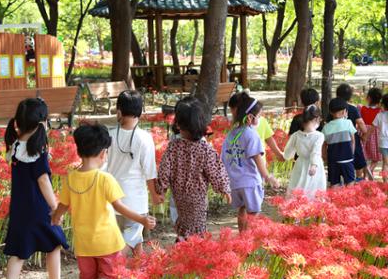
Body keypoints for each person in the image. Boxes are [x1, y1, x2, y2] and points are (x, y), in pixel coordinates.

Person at [52, 123, 156, 279]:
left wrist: (55, 218)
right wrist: (142, 220)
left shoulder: (71, 177)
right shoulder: (105, 179)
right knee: (107, 275)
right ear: (102, 153)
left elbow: (62, 206)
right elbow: (121, 207)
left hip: (83, 243)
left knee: (87, 278)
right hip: (107, 241)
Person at [0, 98, 77, 279]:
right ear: (42, 123)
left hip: (20, 208)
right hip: (39, 208)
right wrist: (55, 207)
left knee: (19, 250)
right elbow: (43, 181)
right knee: (54, 243)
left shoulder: (14, 147)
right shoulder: (37, 152)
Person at [155, 96, 231, 240]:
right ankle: (190, 255)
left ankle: (183, 247)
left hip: (179, 198)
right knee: (197, 230)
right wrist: (224, 189)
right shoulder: (205, 149)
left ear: (178, 124)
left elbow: (164, 170)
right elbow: (216, 172)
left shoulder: (173, 147)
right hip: (198, 199)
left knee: (184, 226)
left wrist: (161, 190)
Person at [107, 90, 161, 256]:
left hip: (113, 200)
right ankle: (114, 271)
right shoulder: (144, 138)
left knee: (132, 241)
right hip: (136, 202)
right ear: (140, 112)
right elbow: (150, 172)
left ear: (119, 111)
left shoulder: (109, 135)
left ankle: (137, 274)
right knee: (131, 240)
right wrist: (154, 195)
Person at [222, 94, 279, 231]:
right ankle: (249, 243)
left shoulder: (231, 134)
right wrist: (267, 177)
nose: (259, 119)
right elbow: (257, 158)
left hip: (234, 182)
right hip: (250, 182)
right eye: (258, 116)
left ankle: (242, 237)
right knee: (253, 213)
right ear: (249, 118)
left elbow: (223, 159)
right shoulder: (251, 134)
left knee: (241, 210)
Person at [283, 105, 326, 200]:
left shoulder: (296, 135)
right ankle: (312, 211)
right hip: (314, 166)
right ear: (317, 119)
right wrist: (314, 165)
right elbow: (316, 152)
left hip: (300, 164)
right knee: (314, 189)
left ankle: (295, 209)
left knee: (298, 185)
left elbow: (288, 153)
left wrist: (285, 156)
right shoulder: (319, 136)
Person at [229, 91, 284, 161]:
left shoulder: (262, 121)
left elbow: (269, 139)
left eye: (232, 109)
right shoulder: (237, 128)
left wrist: (278, 153)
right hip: (246, 167)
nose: (232, 113)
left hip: (259, 164)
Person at [335, 84, 368, 180]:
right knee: (358, 160)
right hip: (352, 137)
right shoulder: (352, 108)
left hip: (337, 138)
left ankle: (341, 180)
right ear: (350, 96)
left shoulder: (334, 108)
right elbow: (361, 123)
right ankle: (358, 178)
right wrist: (364, 132)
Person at [322, 98, 357, 187]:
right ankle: (349, 200)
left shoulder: (326, 127)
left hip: (332, 160)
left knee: (334, 184)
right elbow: (353, 141)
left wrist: (325, 157)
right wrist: (351, 154)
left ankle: (334, 200)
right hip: (347, 158)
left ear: (330, 112)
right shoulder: (348, 123)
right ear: (344, 111)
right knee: (350, 183)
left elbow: (324, 145)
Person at [360, 88, 383, 180]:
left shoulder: (363, 109)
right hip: (375, 134)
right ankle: (371, 168)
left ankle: (365, 176)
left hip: (364, 132)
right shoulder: (380, 111)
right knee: (376, 158)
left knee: (365, 157)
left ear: (368, 98)